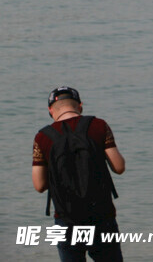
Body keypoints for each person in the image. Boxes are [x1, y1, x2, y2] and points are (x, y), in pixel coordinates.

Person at [32, 86, 126, 262]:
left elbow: (39, 185)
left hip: (65, 221)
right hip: (102, 217)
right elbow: (119, 167)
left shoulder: (42, 137)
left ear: (50, 110)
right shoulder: (99, 125)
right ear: (80, 106)